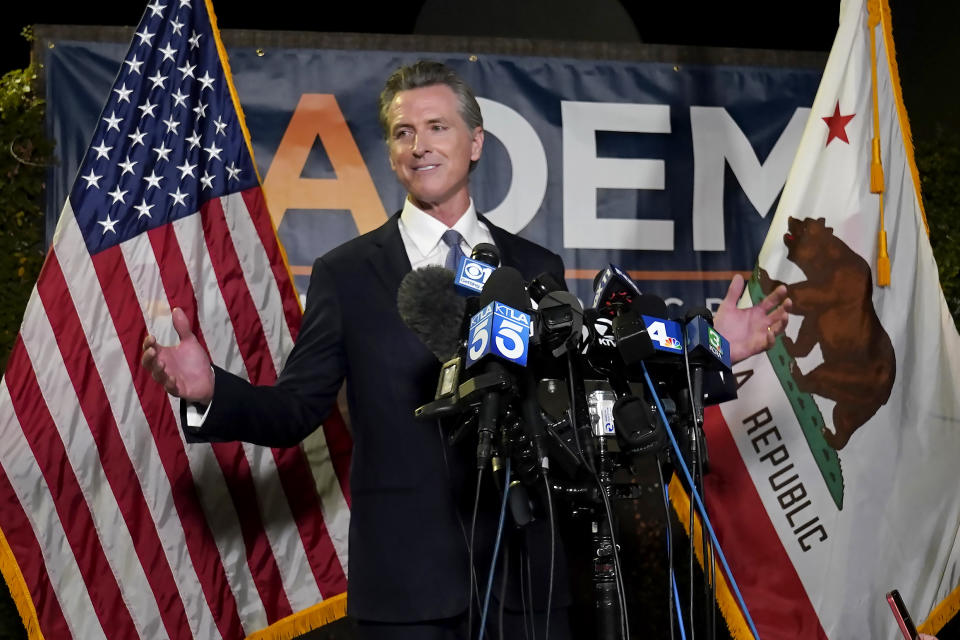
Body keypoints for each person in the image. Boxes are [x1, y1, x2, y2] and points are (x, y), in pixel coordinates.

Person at [142, 60, 790, 639]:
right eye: (403, 132)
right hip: (404, 598)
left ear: (475, 143)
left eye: (437, 127)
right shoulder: (347, 274)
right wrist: (211, 391)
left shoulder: (535, 265)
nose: (419, 145)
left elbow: (588, 404)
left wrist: (708, 353)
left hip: (527, 590)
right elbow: (292, 410)